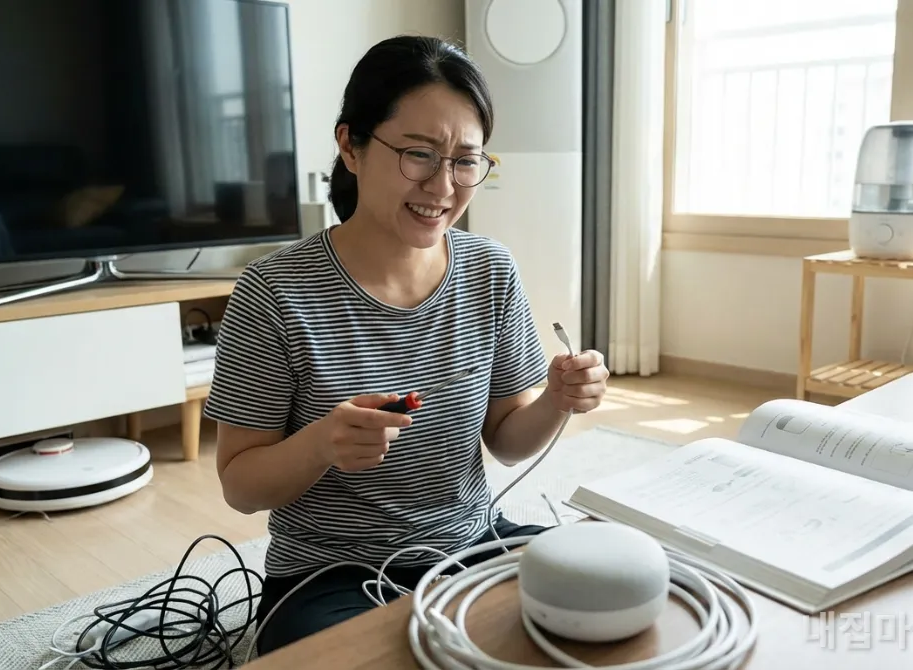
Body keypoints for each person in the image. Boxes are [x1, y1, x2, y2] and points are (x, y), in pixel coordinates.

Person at [204, 35, 610, 656]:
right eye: (419, 154)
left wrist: (555, 399)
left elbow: (506, 440)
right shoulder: (275, 291)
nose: (443, 187)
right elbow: (240, 485)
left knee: (605, 594)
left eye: (466, 161)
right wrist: (321, 443)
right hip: (329, 574)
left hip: (471, 542)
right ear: (351, 146)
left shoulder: (490, 270)